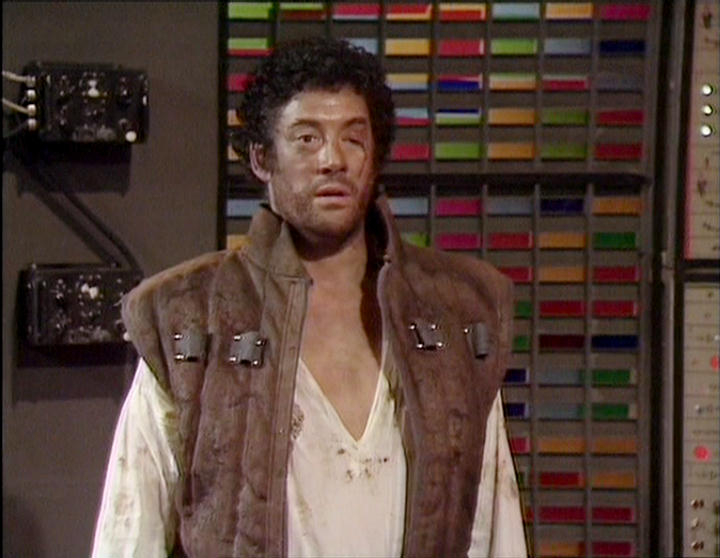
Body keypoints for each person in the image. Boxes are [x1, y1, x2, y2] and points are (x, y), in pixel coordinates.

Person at [92, 37, 527, 558]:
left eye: (353, 139)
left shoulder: (452, 312)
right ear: (262, 158)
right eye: (306, 138)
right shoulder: (192, 317)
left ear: (375, 155)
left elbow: (492, 523)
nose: (332, 160)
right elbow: (131, 531)